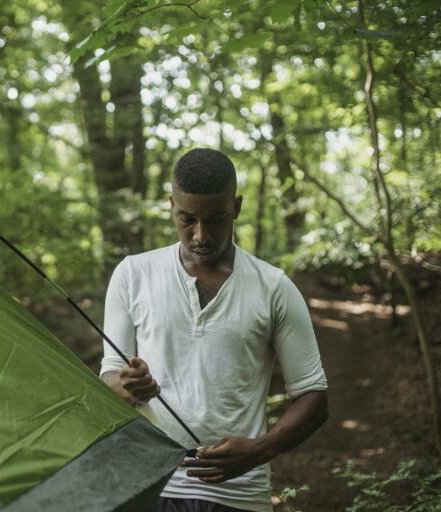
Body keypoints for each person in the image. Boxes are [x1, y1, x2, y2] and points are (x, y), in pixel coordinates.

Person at [100, 148, 328, 512]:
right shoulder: (133, 275)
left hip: (238, 494)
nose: (201, 235)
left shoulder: (274, 287)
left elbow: (313, 397)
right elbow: (109, 379)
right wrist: (125, 385)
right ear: (171, 204)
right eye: (187, 219)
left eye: (216, 219)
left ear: (235, 207)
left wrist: (258, 451)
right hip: (148, 485)